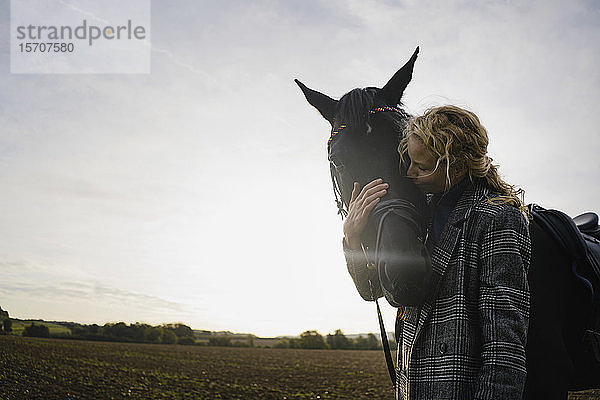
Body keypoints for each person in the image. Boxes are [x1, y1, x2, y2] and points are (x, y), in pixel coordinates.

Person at [343, 105, 531, 400]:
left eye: (421, 165)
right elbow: (373, 290)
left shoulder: (497, 217)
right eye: (408, 161)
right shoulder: (420, 212)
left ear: (455, 166)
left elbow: (503, 343)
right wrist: (352, 239)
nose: (409, 173)